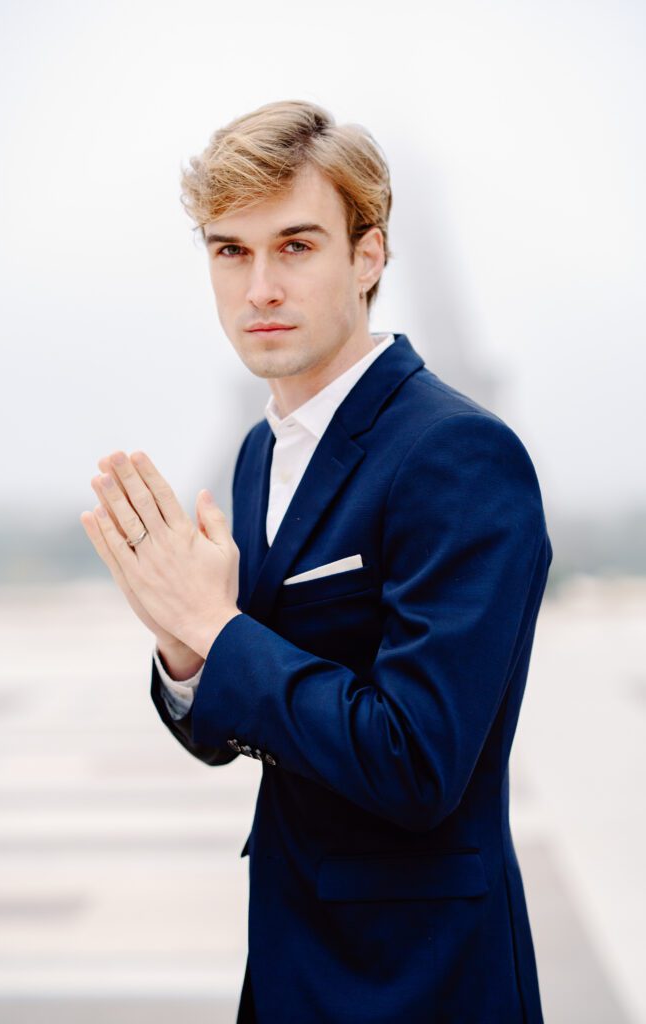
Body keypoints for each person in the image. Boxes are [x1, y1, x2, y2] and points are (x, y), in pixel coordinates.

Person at [81, 99, 553, 1023]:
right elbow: (240, 725)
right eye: (231, 250)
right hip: (292, 961)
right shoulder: (263, 452)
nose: (259, 286)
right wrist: (185, 649)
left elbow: (416, 763)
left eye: (295, 246)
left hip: (418, 979)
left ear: (367, 257)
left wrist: (220, 630)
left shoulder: (458, 456)